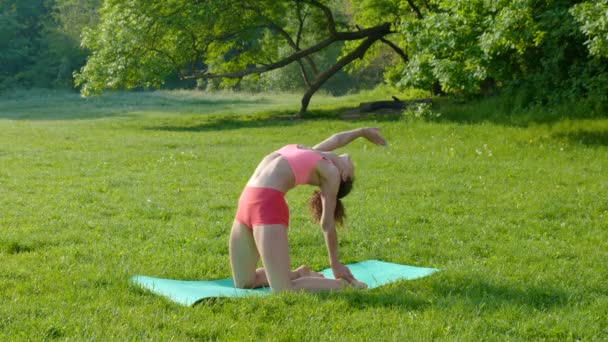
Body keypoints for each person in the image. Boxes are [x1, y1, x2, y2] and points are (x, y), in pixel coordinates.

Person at [229, 127, 387, 292]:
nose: (352, 161)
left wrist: (336, 265)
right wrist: (362, 132)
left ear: (345, 176)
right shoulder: (317, 153)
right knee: (243, 282)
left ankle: (344, 286)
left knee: (283, 290)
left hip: (267, 206)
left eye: (353, 168)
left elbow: (327, 223)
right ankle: (299, 274)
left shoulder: (331, 172)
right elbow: (337, 139)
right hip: (245, 203)